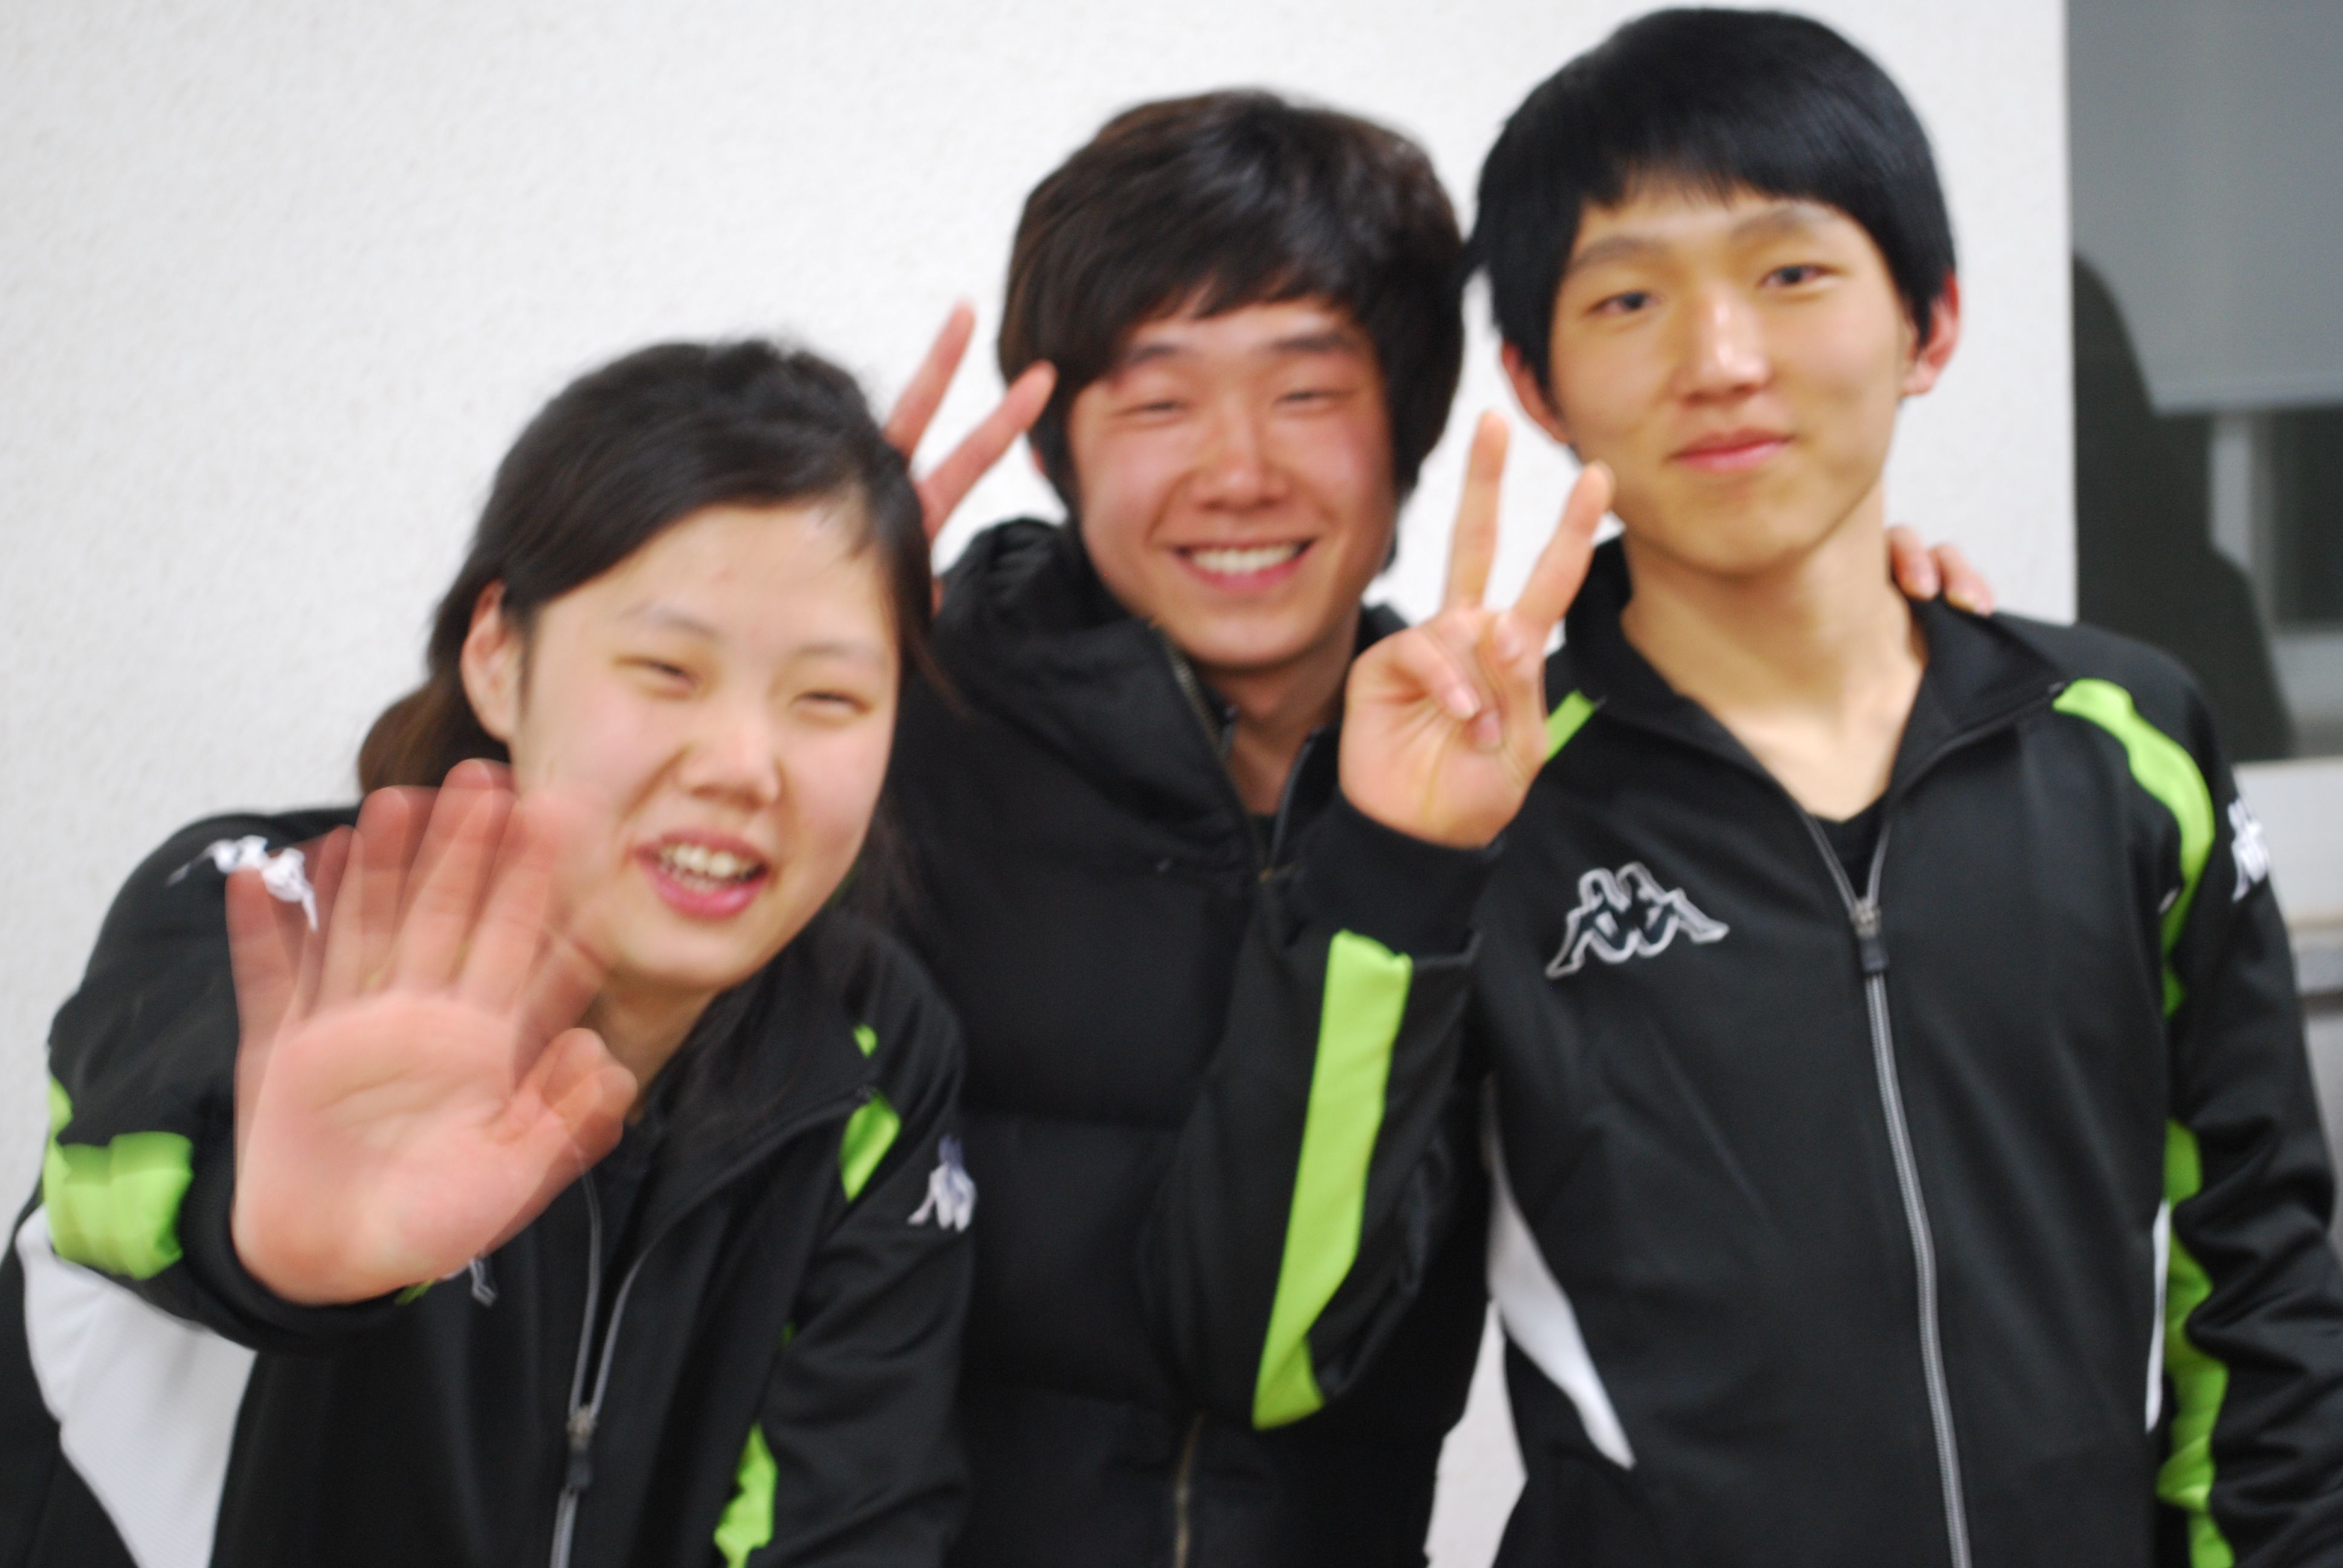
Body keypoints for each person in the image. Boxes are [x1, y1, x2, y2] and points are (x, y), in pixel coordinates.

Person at [879, 89, 1980, 1567]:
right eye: (1156, 400)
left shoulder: (1510, 783)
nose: (1236, 471)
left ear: (1407, 429)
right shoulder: (890, 736)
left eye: (1306, 392)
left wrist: (1845, 638)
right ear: (1054, 446)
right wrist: (767, 663)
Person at [1460, 11, 2343, 1566]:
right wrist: (1383, 875)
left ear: (1928, 324)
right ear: (1538, 383)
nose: (1720, 361)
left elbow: (2257, 1268)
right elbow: (1290, 1346)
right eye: (1628, 297)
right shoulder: (1482, 796)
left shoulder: (2125, 740)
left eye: (1791, 273)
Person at [0, 340, 989, 1567]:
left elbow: (855, 1521)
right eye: (668, 670)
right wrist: (273, 1253)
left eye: (828, 697)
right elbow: (122, 1179)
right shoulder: (270, 905)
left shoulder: (876, 1045)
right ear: (498, 658)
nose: (746, 765)